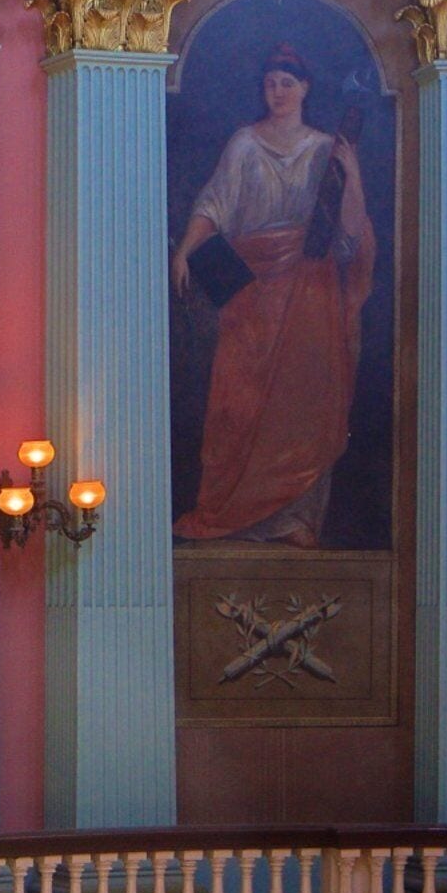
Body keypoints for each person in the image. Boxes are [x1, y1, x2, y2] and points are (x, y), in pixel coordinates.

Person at [171, 46, 376, 545]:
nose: (278, 92)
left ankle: (297, 521)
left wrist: (351, 175)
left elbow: (352, 233)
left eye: (287, 82)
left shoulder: (328, 148)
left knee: (305, 402)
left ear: (305, 88)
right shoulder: (244, 143)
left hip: (311, 291)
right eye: (271, 84)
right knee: (237, 405)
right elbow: (215, 204)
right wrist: (185, 250)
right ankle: (231, 515)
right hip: (251, 289)